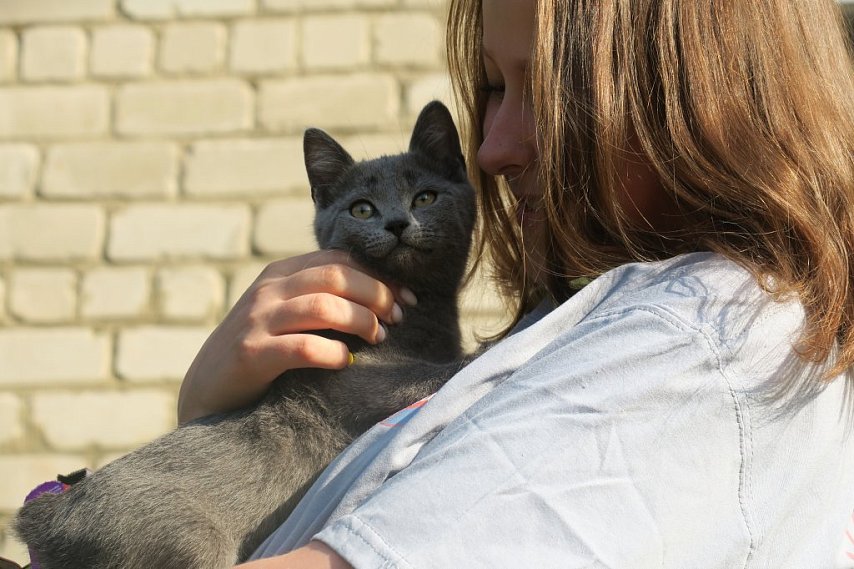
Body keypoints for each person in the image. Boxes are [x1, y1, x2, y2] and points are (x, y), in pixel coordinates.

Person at [177, 0, 854, 567]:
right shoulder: (599, 317)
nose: (491, 149)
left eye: (551, 91)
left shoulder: (700, 333)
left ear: (703, 96)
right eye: (495, 87)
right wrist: (206, 421)